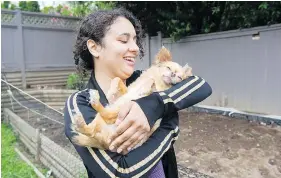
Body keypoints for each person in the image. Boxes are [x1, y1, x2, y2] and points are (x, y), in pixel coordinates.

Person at [64, 8, 212, 178]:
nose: (135, 48)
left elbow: (201, 85)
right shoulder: (80, 103)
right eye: (124, 40)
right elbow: (120, 171)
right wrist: (169, 128)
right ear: (95, 47)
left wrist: (151, 106)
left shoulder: (144, 78)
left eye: (135, 40)